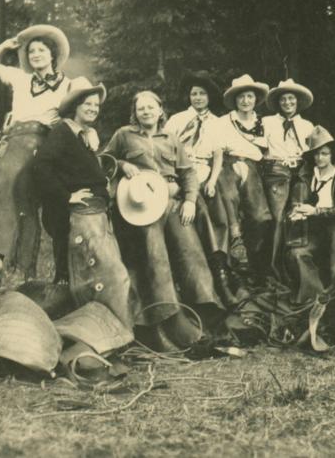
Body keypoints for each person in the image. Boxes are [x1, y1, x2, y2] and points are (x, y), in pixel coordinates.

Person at [103, 90, 224, 350]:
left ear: (160, 111)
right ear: (134, 113)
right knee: (155, 254)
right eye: (140, 108)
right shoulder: (124, 135)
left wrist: (190, 199)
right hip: (141, 206)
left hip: (171, 202)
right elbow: (104, 160)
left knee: (190, 248)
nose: (146, 112)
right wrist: (122, 164)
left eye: (151, 107)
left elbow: (188, 172)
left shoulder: (171, 137)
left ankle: (206, 310)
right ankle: (169, 318)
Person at [0, 25, 72, 284]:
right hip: (11, 140)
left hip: (41, 142)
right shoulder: (21, 78)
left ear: (52, 54)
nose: (35, 55)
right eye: (31, 51)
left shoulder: (67, 84)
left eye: (41, 50)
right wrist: (6, 46)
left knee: (12, 186)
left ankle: (1, 260)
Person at [31, 78, 132, 333]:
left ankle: (103, 329)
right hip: (77, 215)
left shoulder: (82, 136)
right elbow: (40, 167)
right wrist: (67, 197)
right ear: (75, 106)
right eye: (87, 104)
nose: (93, 109)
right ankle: (109, 331)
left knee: (93, 274)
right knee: (109, 274)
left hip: (92, 214)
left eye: (96, 105)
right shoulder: (62, 133)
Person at [165, 71, 237, 307]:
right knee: (200, 209)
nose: (197, 98)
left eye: (202, 94)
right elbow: (165, 149)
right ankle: (215, 271)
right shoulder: (176, 120)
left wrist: (213, 180)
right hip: (181, 171)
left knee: (221, 212)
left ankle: (222, 266)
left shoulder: (216, 123)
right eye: (194, 94)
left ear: (209, 97)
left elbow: (217, 155)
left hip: (205, 171)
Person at [285, 126, 335, 306]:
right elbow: (298, 203)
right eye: (316, 154)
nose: (320, 158)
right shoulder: (308, 176)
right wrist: (296, 212)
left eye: (324, 154)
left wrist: (315, 211)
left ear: (332, 155)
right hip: (313, 229)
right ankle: (313, 298)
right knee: (297, 253)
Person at [215, 74, 273, 283]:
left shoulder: (265, 123)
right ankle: (235, 260)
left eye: (250, 96)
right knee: (229, 201)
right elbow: (217, 149)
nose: (245, 101)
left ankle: (254, 261)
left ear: (255, 99)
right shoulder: (224, 122)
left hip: (255, 167)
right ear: (235, 100)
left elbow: (269, 152)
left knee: (261, 217)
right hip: (227, 164)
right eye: (241, 97)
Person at [262, 78, 315, 281]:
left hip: (301, 171)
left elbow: (313, 152)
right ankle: (274, 270)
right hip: (276, 171)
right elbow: (255, 145)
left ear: (298, 101)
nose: (287, 103)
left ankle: (295, 270)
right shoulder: (267, 123)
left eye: (291, 99)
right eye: (283, 99)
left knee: (297, 214)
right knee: (277, 218)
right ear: (278, 102)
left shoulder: (307, 125)